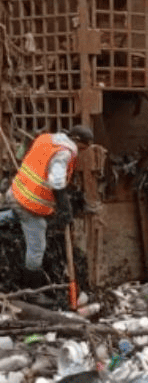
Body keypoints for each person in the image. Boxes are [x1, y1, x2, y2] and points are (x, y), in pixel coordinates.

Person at [0, 125, 94, 306]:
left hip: (16, 193)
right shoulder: (65, 153)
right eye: (83, 148)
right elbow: (56, 180)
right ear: (78, 142)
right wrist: (64, 206)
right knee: (37, 246)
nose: (81, 152)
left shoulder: (47, 139)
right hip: (29, 204)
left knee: (15, 216)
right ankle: (32, 292)